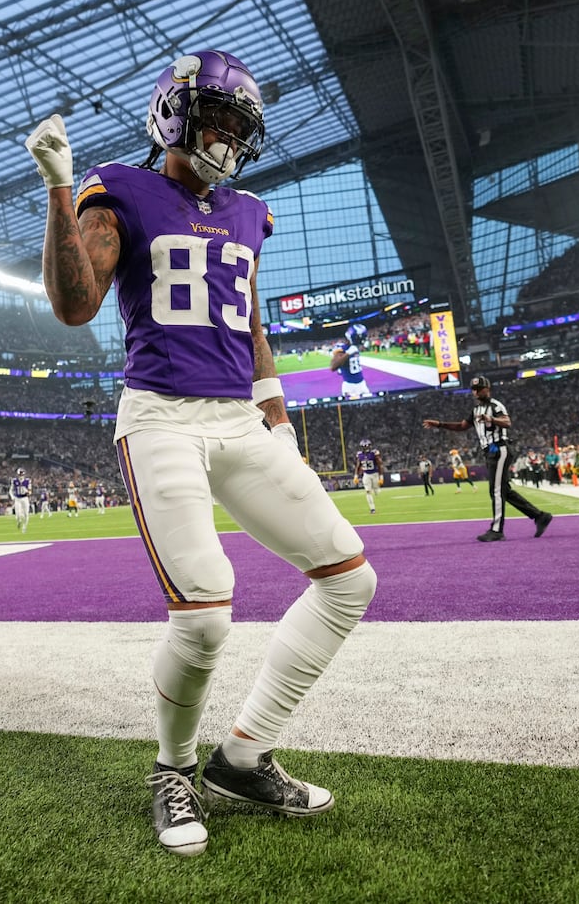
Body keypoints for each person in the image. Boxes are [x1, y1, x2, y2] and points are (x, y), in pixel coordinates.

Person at [29, 49, 376, 858]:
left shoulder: (249, 211)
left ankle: (244, 757)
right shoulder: (119, 188)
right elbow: (76, 304)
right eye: (215, 119)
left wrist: (278, 419)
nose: (226, 137)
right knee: (208, 612)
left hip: (236, 419)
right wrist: (56, 185)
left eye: (237, 126)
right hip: (161, 419)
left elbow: (249, 323)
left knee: (349, 578)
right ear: (174, 116)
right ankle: (172, 768)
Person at [422, 375, 552, 541]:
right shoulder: (476, 410)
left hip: (499, 448)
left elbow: (507, 422)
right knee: (505, 490)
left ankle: (497, 530)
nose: (476, 392)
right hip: (490, 451)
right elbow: (462, 426)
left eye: (479, 389)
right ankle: (540, 516)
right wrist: (439, 424)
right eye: (474, 390)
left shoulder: (495, 405)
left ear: (487, 389)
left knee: (496, 490)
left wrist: (491, 419)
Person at [329, 325, 373, 400]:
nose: (361, 340)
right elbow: (333, 367)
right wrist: (348, 353)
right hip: (350, 386)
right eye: (359, 338)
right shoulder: (342, 349)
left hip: (362, 383)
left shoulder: (355, 346)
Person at [354, 438, 382, 513]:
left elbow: (380, 465)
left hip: (375, 474)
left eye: (367, 446)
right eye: (364, 446)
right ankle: (372, 509)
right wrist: (356, 476)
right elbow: (358, 466)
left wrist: (381, 477)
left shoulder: (374, 453)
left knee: (377, 491)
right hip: (366, 475)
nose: (366, 448)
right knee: (368, 491)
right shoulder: (360, 455)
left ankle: (376, 490)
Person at [11, 468, 34, 532]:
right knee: (18, 515)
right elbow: (11, 490)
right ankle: (19, 521)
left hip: (25, 498)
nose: (21, 476)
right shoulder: (14, 480)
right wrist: (12, 496)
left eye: (22, 475)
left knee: (26, 514)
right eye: (19, 475)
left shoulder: (28, 480)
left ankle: (24, 526)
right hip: (17, 498)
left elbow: (30, 491)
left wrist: (27, 492)